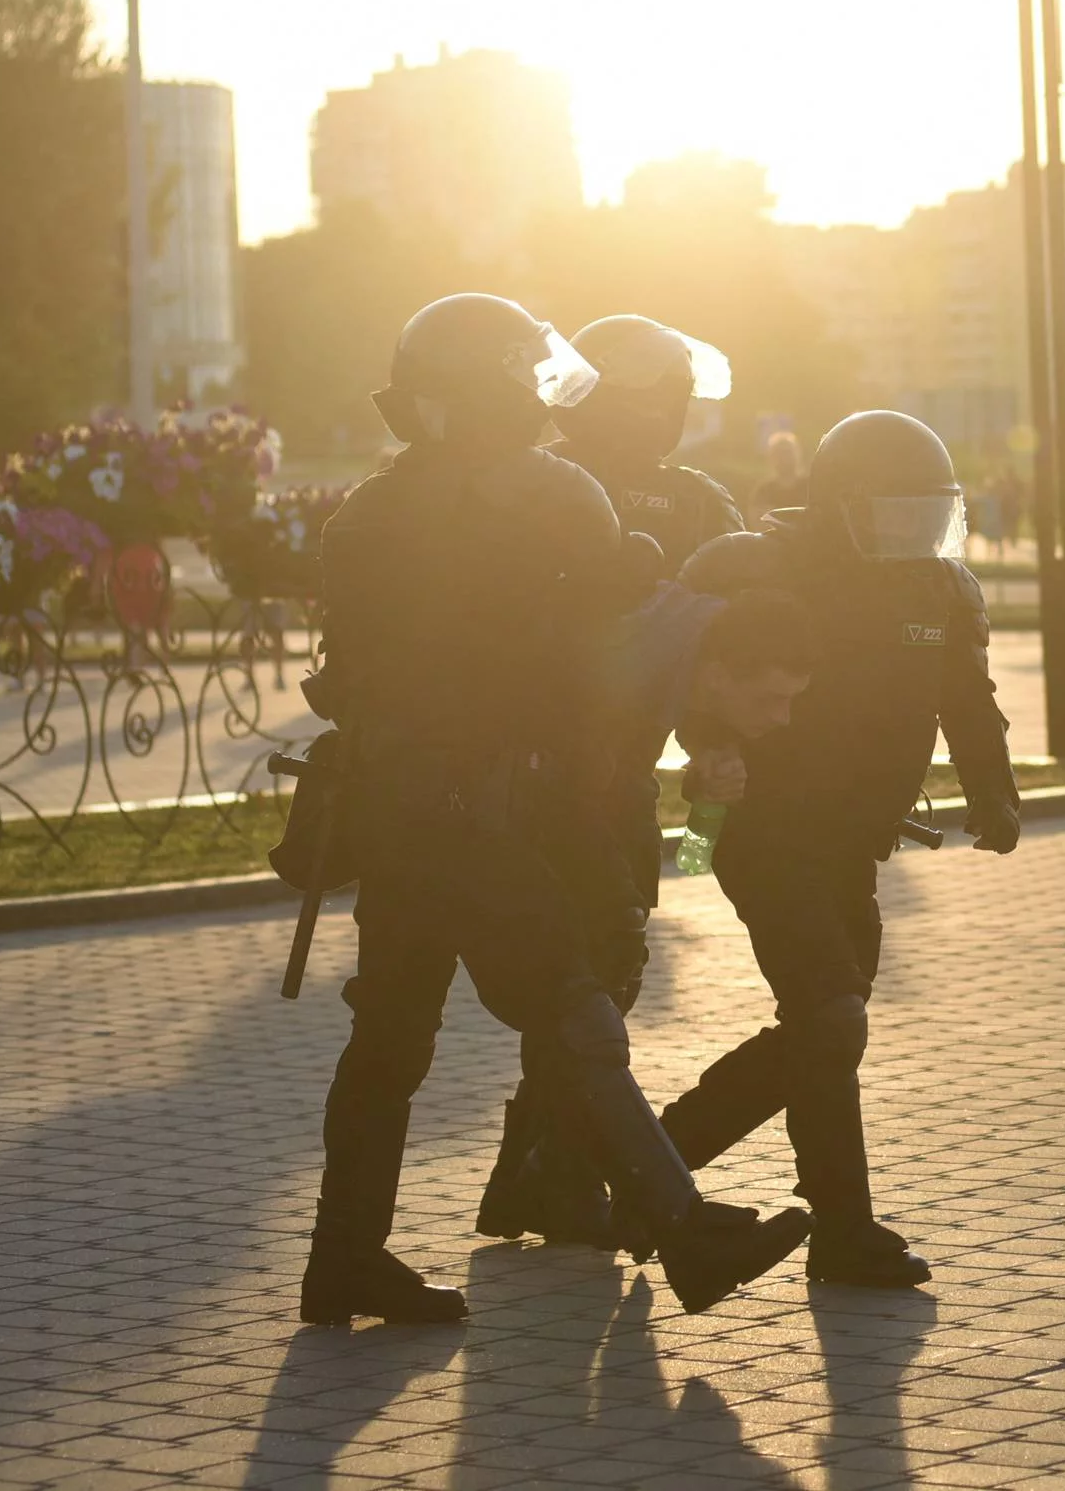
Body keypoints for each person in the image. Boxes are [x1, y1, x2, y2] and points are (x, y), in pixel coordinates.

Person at [298, 293, 809, 1327]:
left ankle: (344, 1259)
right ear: (499, 392)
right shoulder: (552, 497)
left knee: (392, 1038)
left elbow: (346, 671)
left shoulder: (370, 510)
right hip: (488, 807)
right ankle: (680, 1228)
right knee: (576, 998)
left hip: (395, 806)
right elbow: (583, 654)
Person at [656, 410, 1023, 1287]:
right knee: (830, 1015)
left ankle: (680, 1172)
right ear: (840, 506)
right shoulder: (767, 572)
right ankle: (688, 1174)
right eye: (894, 516)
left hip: (854, 842)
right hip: (761, 834)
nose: (912, 537)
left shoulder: (942, 589)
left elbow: (970, 700)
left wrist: (993, 789)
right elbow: (694, 682)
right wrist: (710, 756)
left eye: (926, 517)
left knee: (828, 1027)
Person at [476, 581, 818, 1249]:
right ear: (718, 677)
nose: (783, 718)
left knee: (600, 985)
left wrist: (709, 795)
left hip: (602, 791)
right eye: (771, 698)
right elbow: (566, 792)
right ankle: (557, 1181)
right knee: (586, 992)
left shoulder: (707, 658)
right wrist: (617, 892)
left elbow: (694, 856)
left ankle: (539, 1181)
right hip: (532, 793)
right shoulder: (627, 674)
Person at [550, 315, 744, 578]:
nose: (659, 414)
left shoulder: (700, 498)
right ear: (593, 395)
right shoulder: (540, 478)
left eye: (671, 399)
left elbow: (735, 596)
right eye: (646, 398)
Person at [750, 429, 806, 519]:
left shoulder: (810, 487)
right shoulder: (763, 491)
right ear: (772, 456)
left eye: (788, 452)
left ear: (797, 454)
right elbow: (758, 521)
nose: (784, 458)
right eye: (780, 453)